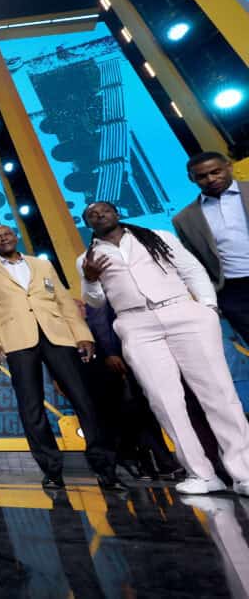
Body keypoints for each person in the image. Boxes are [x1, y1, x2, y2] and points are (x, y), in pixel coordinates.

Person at [80, 201, 249, 496]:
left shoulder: (157, 237)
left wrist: (208, 307)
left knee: (218, 393)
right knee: (164, 401)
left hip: (182, 311)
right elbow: (94, 301)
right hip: (135, 323)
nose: (99, 215)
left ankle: (244, 472)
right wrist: (90, 279)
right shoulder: (87, 258)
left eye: (104, 210)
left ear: (117, 213)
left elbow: (192, 270)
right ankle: (201, 474)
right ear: (88, 224)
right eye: (92, 215)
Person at [0, 224, 120, 490]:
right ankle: (51, 470)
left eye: (7, 234)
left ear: (15, 237)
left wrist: (82, 334)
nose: (3, 238)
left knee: (83, 400)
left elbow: (63, 301)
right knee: (31, 407)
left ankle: (105, 469)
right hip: (17, 340)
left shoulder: (42, 265)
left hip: (58, 336)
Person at [82, 300, 185, 480]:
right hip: (117, 362)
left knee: (143, 413)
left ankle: (155, 462)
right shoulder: (100, 295)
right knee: (135, 414)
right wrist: (110, 353)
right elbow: (100, 324)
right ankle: (156, 462)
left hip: (132, 356)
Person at [173, 152, 249, 345]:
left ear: (229, 167)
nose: (210, 179)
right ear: (192, 179)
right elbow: (196, 262)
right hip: (233, 292)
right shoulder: (184, 219)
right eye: (202, 176)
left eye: (216, 172)